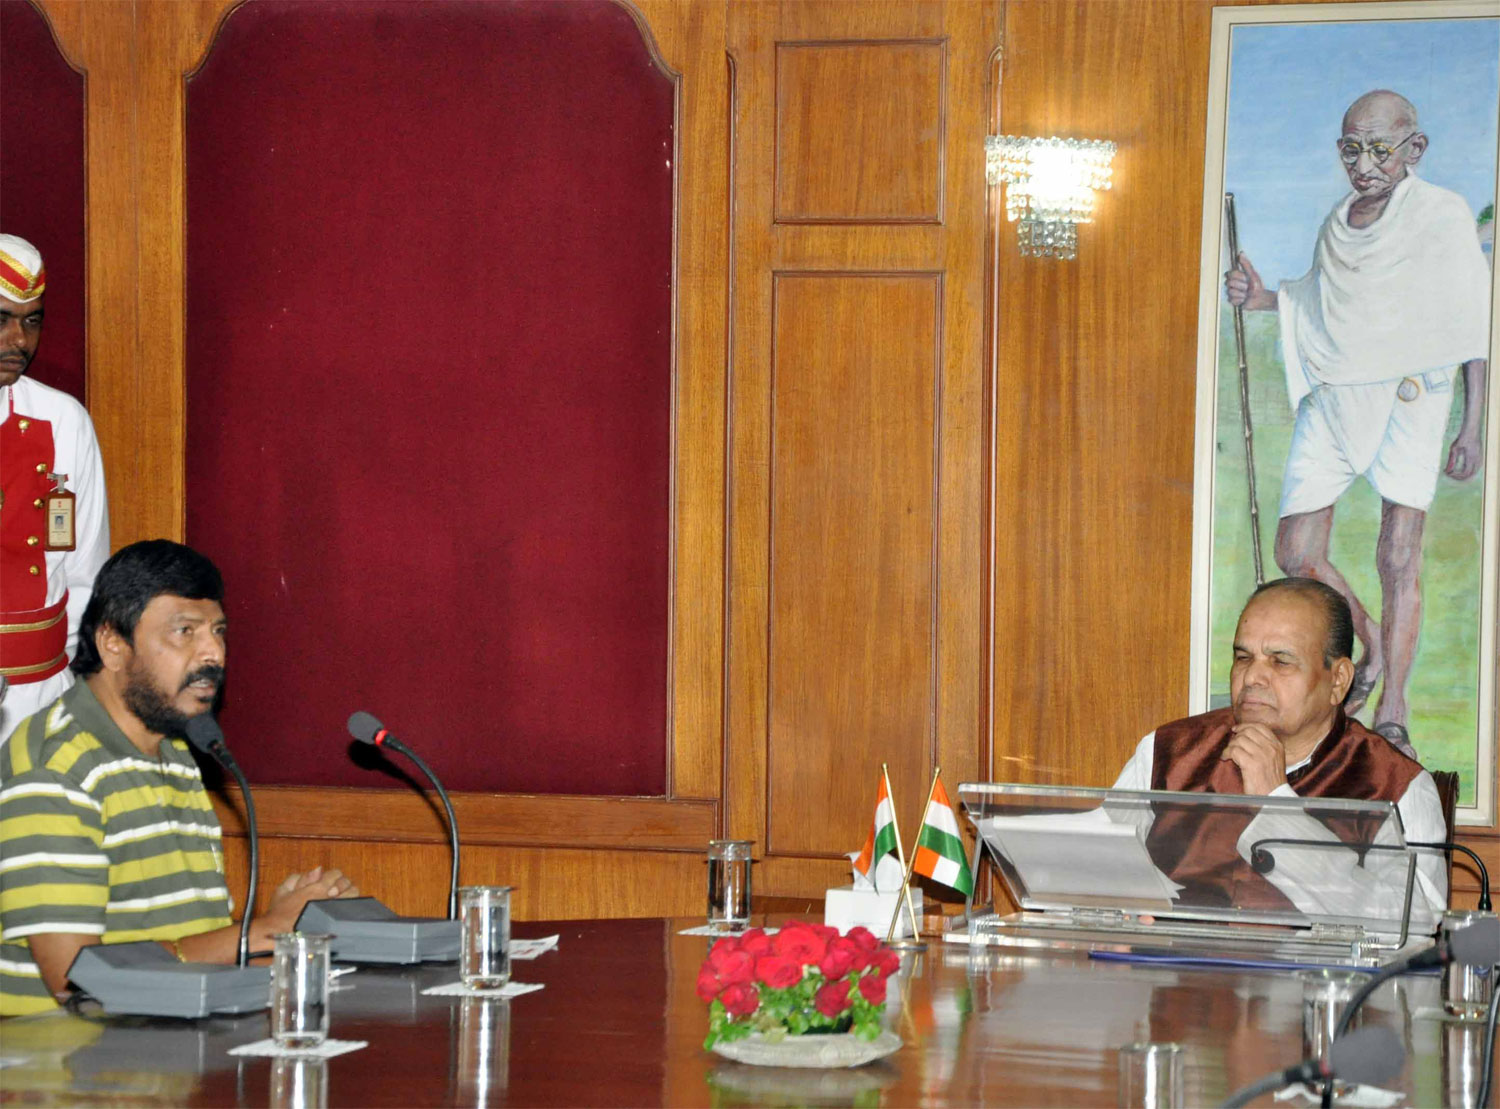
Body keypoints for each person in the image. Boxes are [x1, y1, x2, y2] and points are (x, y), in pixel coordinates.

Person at [1224, 90, 1490, 752]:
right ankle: (1367, 636)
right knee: (1295, 551)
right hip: (1337, 395)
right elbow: (1316, 304)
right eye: (1352, 148)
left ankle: (1392, 705)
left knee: (1399, 552)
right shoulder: (1336, 223)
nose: (1364, 163)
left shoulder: (1442, 215)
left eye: (1380, 148)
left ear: (1413, 149)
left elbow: (1472, 324)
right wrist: (1257, 296)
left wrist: (1474, 424)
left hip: (1411, 394)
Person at [0, 540, 360, 1015]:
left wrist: (275, 922)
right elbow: (78, 980)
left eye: (218, 631)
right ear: (113, 644)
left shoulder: (175, 749)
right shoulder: (55, 768)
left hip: (170, 1051)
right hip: (75, 1072)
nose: (213, 653)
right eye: (184, 631)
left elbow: (176, 942)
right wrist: (263, 931)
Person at [1114, 577, 1447, 925]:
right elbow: (1093, 874)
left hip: (1311, 978)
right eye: (1243, 657)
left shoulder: (1395, 785)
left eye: (1280, 661)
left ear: (1338, 680)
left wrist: (1276, 804)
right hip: (1168, 974)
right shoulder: (1170, 753)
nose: (1252, 677)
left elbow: (1414, 928)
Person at [0, 233, 111, 751]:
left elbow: (85, 571)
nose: (18, 341)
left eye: (31, 320)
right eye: (1, 318)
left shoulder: (64, 421)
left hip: (41, 699)